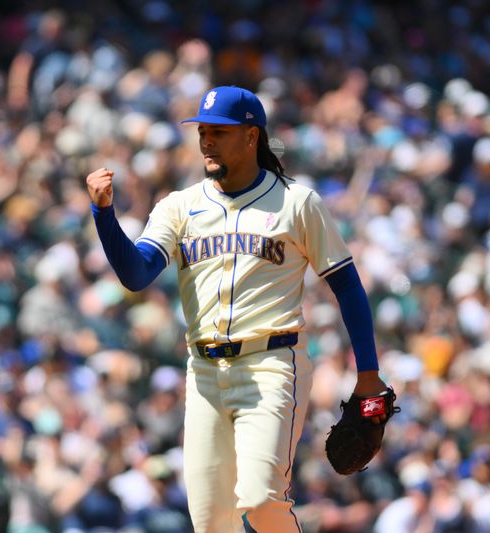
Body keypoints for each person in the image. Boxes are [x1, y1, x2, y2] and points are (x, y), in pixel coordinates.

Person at [86, 85, 390, 532]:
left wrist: (368, 373)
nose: (207, 141)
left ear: (252, 137)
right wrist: (104, 215)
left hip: (272, 363)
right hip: (204, 372)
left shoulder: (297, 203)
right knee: (210, 522)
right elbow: (137, 274)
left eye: (219, 132)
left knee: (262, 500)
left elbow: (347, 286)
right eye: (202, 131)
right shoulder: (179, 206)